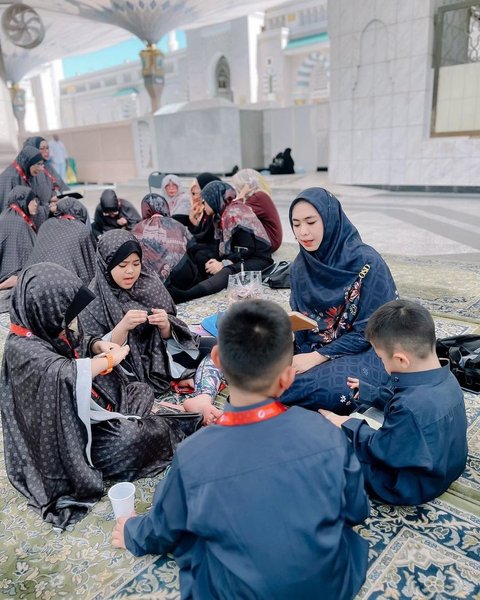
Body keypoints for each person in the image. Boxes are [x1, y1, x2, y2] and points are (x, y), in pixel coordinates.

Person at [112, 299, 370, 599]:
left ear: (217, 359)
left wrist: (132, 532)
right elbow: (356, 509)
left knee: (192, 540)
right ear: (288, 377)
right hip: (329, 586)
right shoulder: (327, 433)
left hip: (242, 592)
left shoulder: (194, 454)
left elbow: (164, 528)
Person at [0, 263, 204, 528]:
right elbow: (63, 373)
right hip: (69, 437)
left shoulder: (42, 323)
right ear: (46, 307)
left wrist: (97, 344)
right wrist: (108, 358)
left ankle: (148, 419)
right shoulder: (22, 348)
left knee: (140, 389)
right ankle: (162, 424)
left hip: (89, 406)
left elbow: (79, 341)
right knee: (131, 439)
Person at [321, 299, 468, 505]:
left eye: (381, 358)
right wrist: (371, 393)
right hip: (447, 464)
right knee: (366, 409)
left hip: (410, 485)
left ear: (400, 360)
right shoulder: (447, 377)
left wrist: (343, 423)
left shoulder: (409, 407)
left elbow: (382, 449)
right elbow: (402, 402)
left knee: (330, 447)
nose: (381, 362)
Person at [79, 229, 223, 422]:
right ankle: (183, 382)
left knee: (219, 349)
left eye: (136, 264)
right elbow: (93, 349)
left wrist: (165, 325)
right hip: (124, 368)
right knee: (125, 392)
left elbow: (172, 330)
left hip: (161, 355)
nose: (130, 271)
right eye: (122, 265)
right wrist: (122, 327)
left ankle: (204, 395)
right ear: (106, 265)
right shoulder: (92, 299)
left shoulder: (148, 283)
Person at [279, 187, 398, 414]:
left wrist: (316, 358)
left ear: (330, 219)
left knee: (339, 388)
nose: (303, 232)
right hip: (313, 346)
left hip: (368, 348)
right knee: (257, 360)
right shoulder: (300, 267)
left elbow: (373, 331)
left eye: (311, 222)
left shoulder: (367, 263)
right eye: (296, 224)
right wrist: (297, 345)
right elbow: (302, 322)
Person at [171, 181, 273, 303]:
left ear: (214, 199)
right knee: (202, 255)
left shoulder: (235, 213)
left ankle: (187, 295)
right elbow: (211, 241)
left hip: (259, 259)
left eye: (205, 201)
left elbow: (246, 249)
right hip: (243, 255)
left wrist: (223, 264)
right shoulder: (222, 213)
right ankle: (194, 285)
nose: (203, 205)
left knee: (228, 272)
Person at [132, 193, 198, 289]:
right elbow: (193, 246)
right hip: (180, 278)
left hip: (149, 283)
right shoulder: (178, 225)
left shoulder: (137, 228)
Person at [25, 197, 96, 285]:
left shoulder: (46, 224)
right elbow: (91, 263)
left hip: (33, 277)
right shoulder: (82, 229)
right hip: (66, 281)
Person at [0, 186, 38, 311]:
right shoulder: (19, 222)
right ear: (24, 202)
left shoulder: (7, 214)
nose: (36, 204)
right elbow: (26, 255)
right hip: (11, 273)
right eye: (33, 201)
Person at [232, 168, 283, 252]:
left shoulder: (258, 197)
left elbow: (236, 215)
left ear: (245, 185)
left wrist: (240, 196)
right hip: (270, 239)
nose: (236, 189)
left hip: (270, 242)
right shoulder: (258, 195)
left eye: (237, 186)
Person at [24, 136, 69, 226]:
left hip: (55, 208)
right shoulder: (31, 171)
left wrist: (70, 195)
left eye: (47, 148)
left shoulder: (48, 167)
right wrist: (49, 200)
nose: (47, 151)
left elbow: (62, 185)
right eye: (42, 149)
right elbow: (32, 200)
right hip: (41, 215)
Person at [0, 146, 44, 213]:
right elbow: (5, 207)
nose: (41, 169)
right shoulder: (11, 178)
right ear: (27, 162)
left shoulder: (27, 174)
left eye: (42, 164)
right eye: (38, 164)